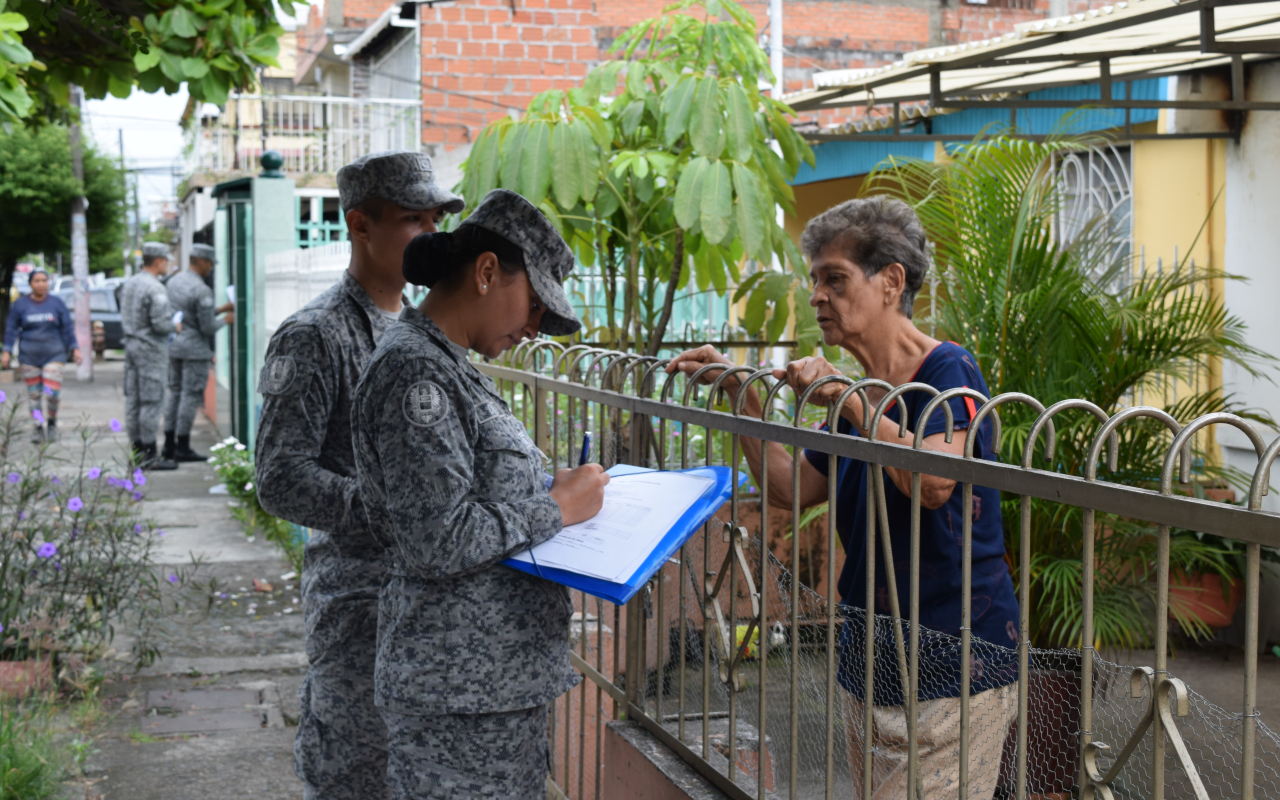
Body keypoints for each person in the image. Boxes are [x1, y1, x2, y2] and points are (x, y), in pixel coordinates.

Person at [667, 197, 1019, 800]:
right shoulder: (858, 392)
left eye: (835, 278)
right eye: (815, 280)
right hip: (874, 652)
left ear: (891, 283)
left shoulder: (948, 373)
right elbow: (791, 489)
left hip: (954, 657)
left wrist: (852, 400)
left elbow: (935, 482)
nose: (816, 296)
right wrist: (742, 396)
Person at [351, 188, 610, 800]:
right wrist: (558, 506)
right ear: (488, 272)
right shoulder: (419, 373)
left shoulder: (450, 365)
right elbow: (434, 538)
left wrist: (550, 492)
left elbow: (469, 497)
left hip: (488, 685)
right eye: (536, 305)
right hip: (458, 694)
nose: (535, 327)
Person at [254, 151, 465, 800]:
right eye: (411, 219)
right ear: (360, 226)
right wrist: (389, 509)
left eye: (435, 219)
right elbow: (281, 478)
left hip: (428, 601)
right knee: (355, 772)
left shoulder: (428, 330)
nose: (428, 234)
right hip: (357, 604)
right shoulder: (315, 336)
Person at [162, 243, 234, 462]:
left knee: (174, 393)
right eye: (210, 264)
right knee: (190, 396)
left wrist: (220, 309)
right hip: (194, 350)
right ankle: (183, 445)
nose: (211, 268)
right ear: (202, 262)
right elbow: (206, 327)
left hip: (174, 345)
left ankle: (168, 444)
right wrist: (226, 320)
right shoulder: (201, 289)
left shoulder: (174, 282)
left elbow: (188, 314)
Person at [1, 269, 81, 442]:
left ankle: (52, 424)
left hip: (54, 354)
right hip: (29, 357)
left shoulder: (57, 303)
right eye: (37, 281)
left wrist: (75, 348)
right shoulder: (21, 305)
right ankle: (38, 427)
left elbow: (67, 328)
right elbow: (11, 330)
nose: (41, 284)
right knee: (34, 395)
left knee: (52, 392)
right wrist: (6, 351)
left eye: (44, 280)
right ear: (31, 284)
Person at [120, 242, 181, 470]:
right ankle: (149, 455)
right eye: (165, 260)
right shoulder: (155, 288)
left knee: (134, 400)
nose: (166, 265)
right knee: (152, 401)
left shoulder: (130, 284)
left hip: (131, 347)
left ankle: (136, 453)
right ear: (158, 261)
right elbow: (160, 323)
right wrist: (175, 326)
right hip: (151, 351)